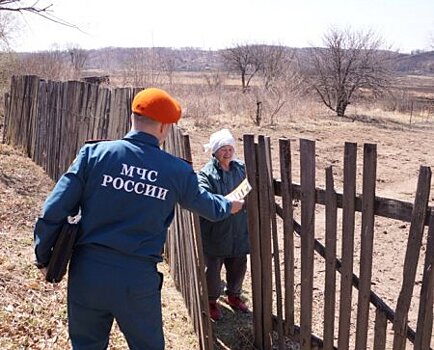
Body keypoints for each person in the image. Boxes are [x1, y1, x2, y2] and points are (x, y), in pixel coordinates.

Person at [33, 88, 244, 350]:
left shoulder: (94, 155)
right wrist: (229, 205)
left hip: (88, 273)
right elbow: (206, 206)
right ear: (164, 127)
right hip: (137, 279)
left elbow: (53, 209)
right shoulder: (176, 170)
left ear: (133, 118)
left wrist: (43, 256)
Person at [198, 129, 250, 321]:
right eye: (222, 149)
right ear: (214, 151)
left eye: (230, 149)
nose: (227, 153)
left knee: (238, 265)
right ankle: (211, 301)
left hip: (238, 228)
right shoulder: (206, 173)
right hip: (216, 229)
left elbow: (251, 186)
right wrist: (228, 204)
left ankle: (234, 296)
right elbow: (205, 199)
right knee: (212, 269)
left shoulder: (241, 169)